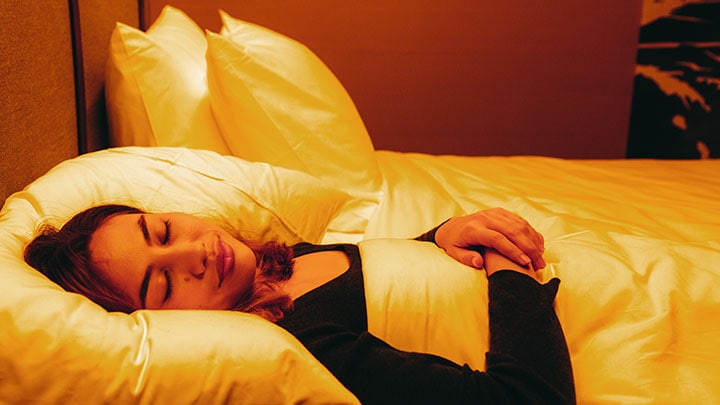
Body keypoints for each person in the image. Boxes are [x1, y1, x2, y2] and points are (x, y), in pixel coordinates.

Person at [25, 204, 575, 404]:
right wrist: (509, 270)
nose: (194, 251)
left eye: (164, 230)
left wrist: (445, 234)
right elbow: (527, 398)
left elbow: (395, 288)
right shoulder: (309, 347)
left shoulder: (278, 264)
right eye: (163, 285)